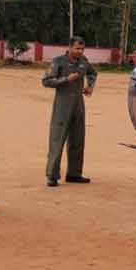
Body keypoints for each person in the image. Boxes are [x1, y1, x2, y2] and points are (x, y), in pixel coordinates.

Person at [42, 36, 97, 187]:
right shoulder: (58, 61)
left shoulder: (83, 61)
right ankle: (52, 176)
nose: (80, 51)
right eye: (77, 48)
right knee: (57, 140)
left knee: (78, 140)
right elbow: (46, 81)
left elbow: (92, 73)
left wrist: (90, 86)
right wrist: (66, 79)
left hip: (78, 105)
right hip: (62, 105)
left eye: (82, 49)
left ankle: (74, 173)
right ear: (70, 47)